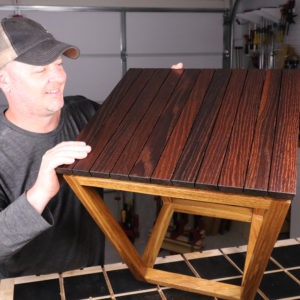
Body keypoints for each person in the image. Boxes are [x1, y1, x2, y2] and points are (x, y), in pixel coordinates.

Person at [0, 16, 105, 278]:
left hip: (92, 277)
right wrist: (40, 192)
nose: (57, 76)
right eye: (40, 70)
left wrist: (173, 93)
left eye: (58, 64)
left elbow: (144, 128)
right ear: (4, 81)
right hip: (25, 288)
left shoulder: (88, 113)